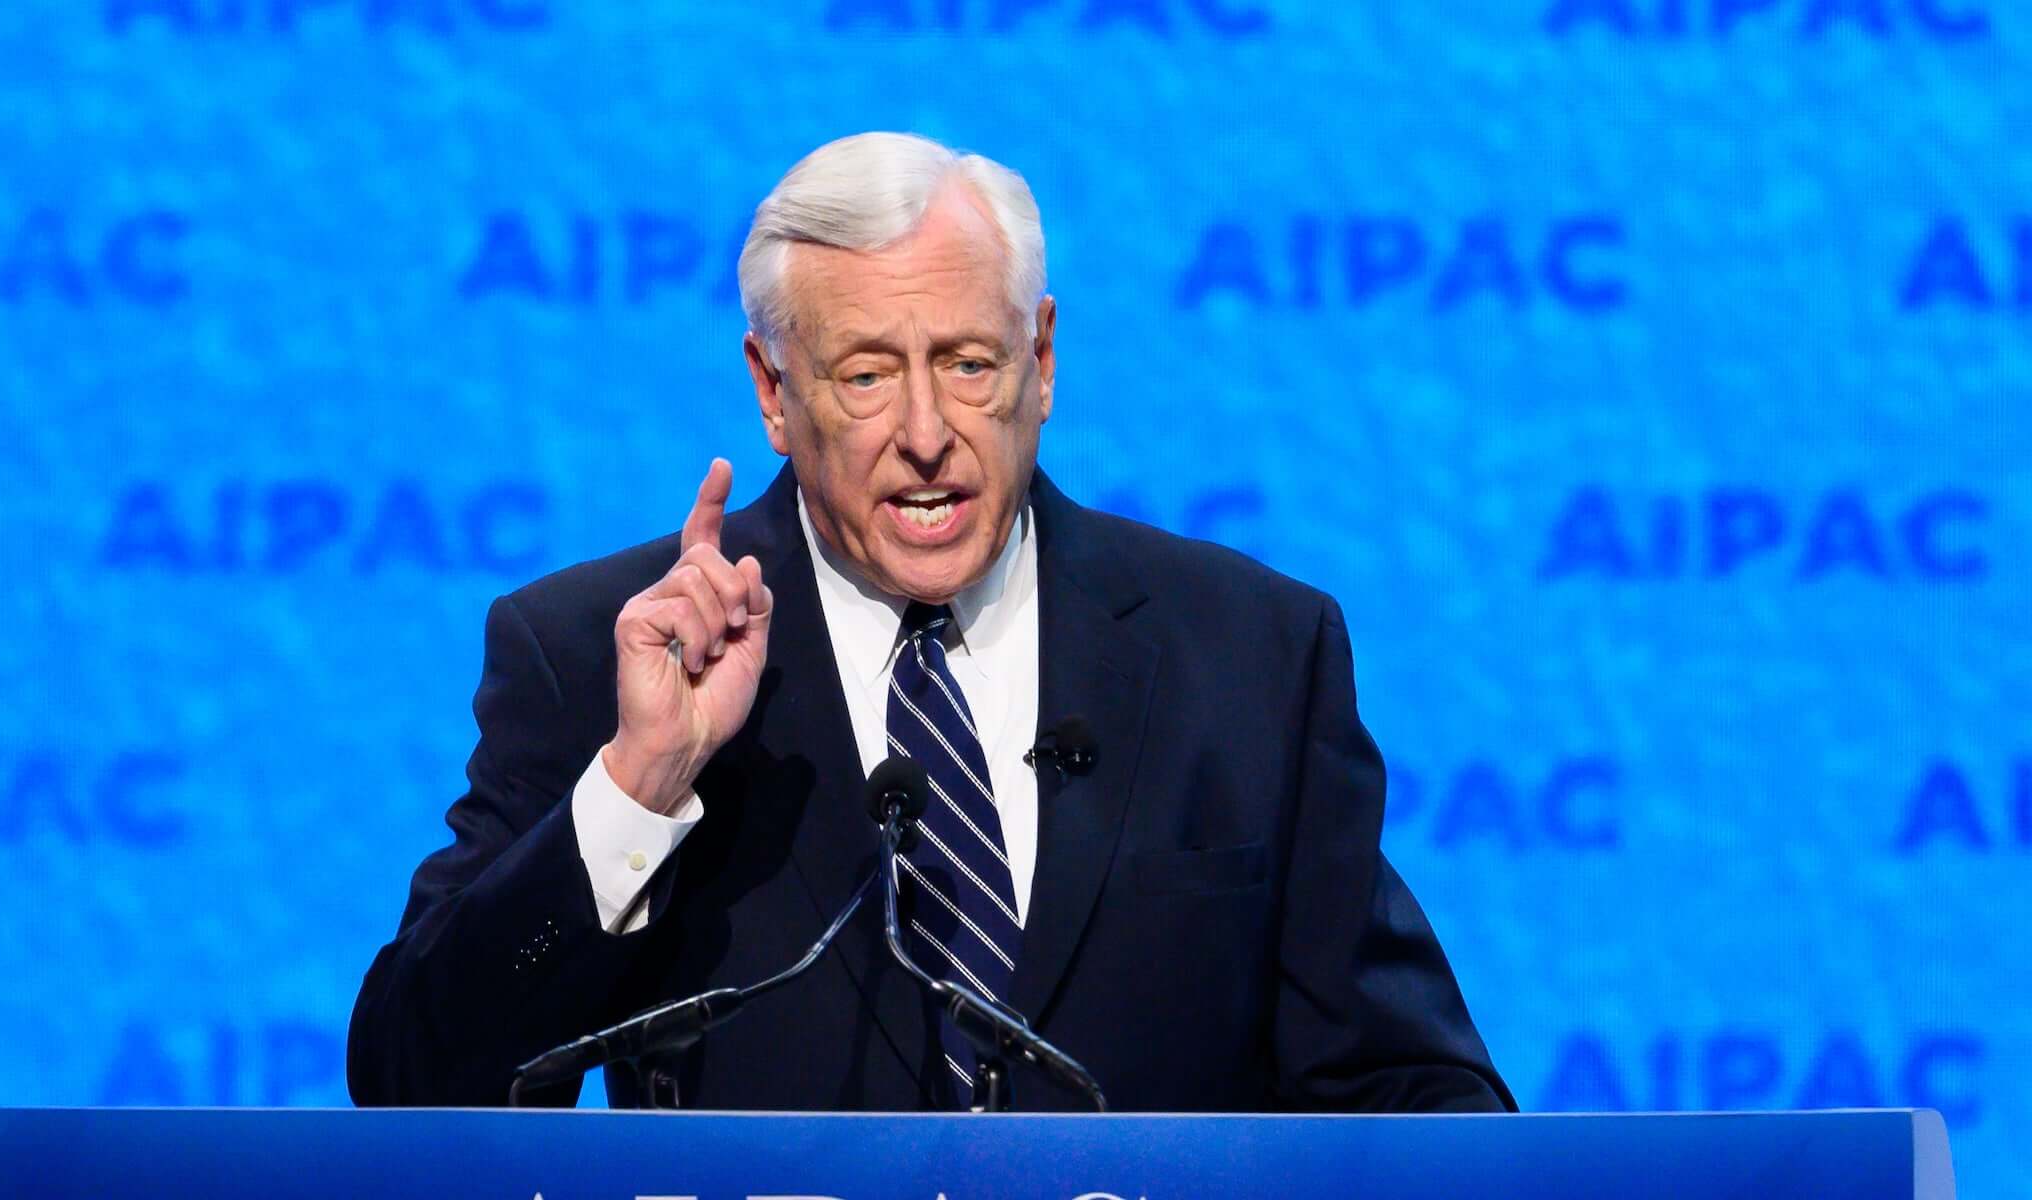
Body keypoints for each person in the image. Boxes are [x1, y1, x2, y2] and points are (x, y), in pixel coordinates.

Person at [347, 132, 1514, 1113]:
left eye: (966, 363)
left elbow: (1416, 1097)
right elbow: (413, 1085)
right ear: (772, 391)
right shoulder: (599, 651)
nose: (924, 431)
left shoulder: (1250, 654)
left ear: (1042, 361)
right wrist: (639, 785)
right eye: (864, 375)